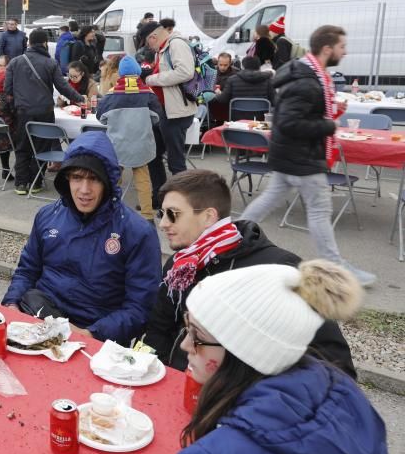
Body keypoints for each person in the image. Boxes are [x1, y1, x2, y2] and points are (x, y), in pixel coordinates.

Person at [159, 261, 392, 454]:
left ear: (244, 350)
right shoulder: (333, 389)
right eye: (187, 328)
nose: (185, 345)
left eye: (196, 334)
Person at [143, 169, 356, 377]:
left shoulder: (280, 269)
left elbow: (334, 361)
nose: (163, 224)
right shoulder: (179, 265)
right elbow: (159, 327)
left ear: (209, 216)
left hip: (239, 399)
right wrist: (152, 373)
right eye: (162, 214)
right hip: (180, 381)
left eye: (172, 214)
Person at [239, 25, 377, 286]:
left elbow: (299, 115)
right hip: (301, 157)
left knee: (269, 200)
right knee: (319, 210)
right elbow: (290, 122)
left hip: (291, 154)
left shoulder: (310, 75)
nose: (344, 52)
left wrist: (330, 110)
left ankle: (230, 239)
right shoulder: (307, 81)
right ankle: (337, 269)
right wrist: (329, 125)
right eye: (342, 47)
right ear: (327, 49)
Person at [1, 132, 161, 344]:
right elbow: (27, 270)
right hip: (40, 321)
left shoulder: (137, 232)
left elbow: (140, 308)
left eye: (94, 179)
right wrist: (11, 304)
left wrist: (91, 333)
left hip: (97, 335)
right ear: (66, 178)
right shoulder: (48, 216)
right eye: (77, 177)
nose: (84, 190)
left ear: (108, 182)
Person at [5, 28, 82, 195]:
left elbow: (7, 90)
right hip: (44, 111)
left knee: (22, 146)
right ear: (45, 43)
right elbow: (62, 87)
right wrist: (80, 98)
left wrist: (15, 107)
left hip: (23, 111)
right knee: (41, 147)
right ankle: (36, 181)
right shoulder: (50, 63)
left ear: (29, 43)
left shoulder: (15, 62)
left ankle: (20, 184)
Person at [96, 56, 162, 221]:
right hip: (142, 144)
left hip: (117, 146)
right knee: (143, 181)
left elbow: (100, 117)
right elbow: (157, 117)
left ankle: (111, 212)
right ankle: (147, 216)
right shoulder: (148, 92)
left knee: (114, 179)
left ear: (120, 74)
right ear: (138, 72)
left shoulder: (111, 94)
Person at [141, 21, 197, 178]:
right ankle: (158, 199)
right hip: (165, 110)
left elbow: (185, 72)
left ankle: (179, 201)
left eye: (147, 42)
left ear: (153, 37)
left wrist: (150, 78)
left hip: (176, 112)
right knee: (152, 155)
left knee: (175, 162)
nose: (148, 47)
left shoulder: (176, 44)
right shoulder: (164, 48)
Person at [211, 55, 275, 120]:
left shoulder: (232, 80)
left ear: (243, 67)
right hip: (261, 119)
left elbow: (223, 99)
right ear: (259, 67)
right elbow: (274, 101)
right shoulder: (268, 81)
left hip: (237, 119)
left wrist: (218, 94)